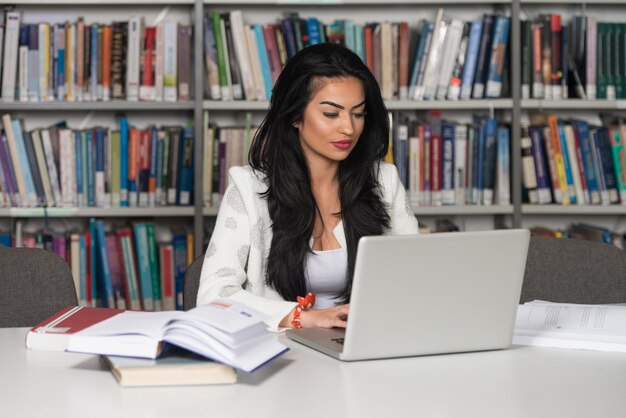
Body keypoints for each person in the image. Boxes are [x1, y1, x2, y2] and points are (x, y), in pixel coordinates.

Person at [197, 43, 418, 331]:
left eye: (358, 113)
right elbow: (214, 294)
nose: (348, 128)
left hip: (367, 341)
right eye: (331, 114)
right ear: (295, 116)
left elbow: (417, 275)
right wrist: (302, 317)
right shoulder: (249, 189)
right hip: (281, 351)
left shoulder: (384, 181)